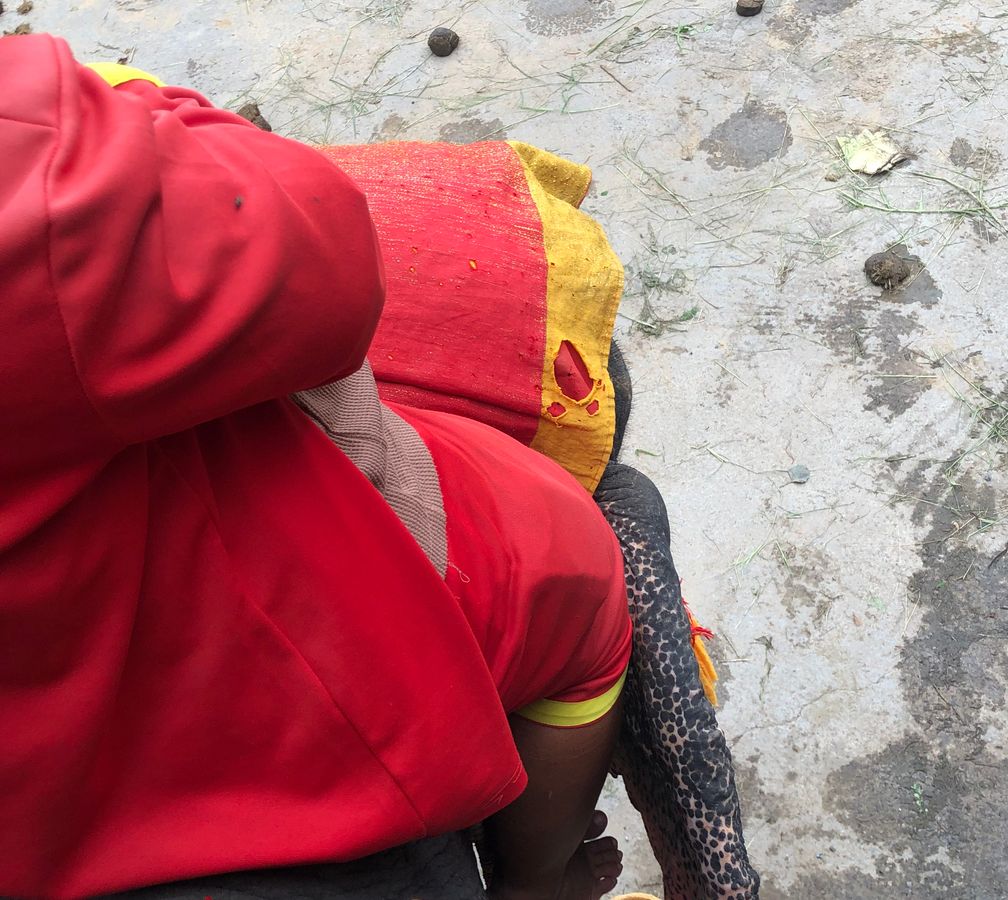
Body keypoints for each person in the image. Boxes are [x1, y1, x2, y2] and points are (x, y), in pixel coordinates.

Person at [0, 32, 631, 900]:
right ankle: (538, 878)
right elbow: (326, 259)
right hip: (227, 738)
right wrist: (125, 93)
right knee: (568, 563)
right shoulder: (29, 174)